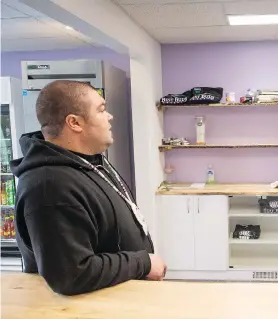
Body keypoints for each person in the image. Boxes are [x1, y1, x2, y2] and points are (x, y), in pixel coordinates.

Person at [11, 80, 167, 295]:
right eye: (101, 110)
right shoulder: (49, 186)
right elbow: (72, 274)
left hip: (120, 297)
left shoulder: (90, 161)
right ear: (74, 123)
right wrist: (143, 263)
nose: (110, 116)